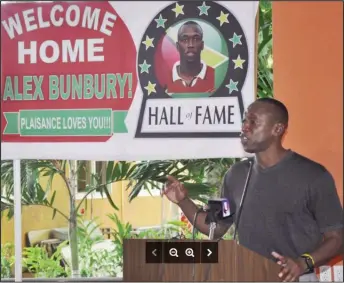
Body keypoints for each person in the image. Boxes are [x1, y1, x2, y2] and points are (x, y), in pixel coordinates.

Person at [162, 97, 343, 282]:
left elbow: (337, 238)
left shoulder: (313, 176)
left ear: (277, 129)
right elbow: (215, 228)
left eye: (253, 122)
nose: (245, 127)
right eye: (244, 121)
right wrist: (183, 201)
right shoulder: (236, 175)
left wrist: (302, 263)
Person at [165, 21, 215, 94]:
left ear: (202, 45)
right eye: (185, 40)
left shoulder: (215, 75)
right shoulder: (165, 78)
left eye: (196, 39)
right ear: (177, 46)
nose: (190, 45)